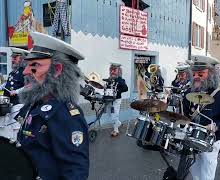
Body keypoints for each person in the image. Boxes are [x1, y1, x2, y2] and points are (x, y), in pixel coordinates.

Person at [16, 32, 89, 179]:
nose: (25, 72)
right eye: (27, 65)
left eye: (34, 65)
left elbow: (75, 171)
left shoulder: (65, 114)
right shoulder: (35, 104)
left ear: (57, 70)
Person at [182, 55, 220, 179]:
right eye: (194, 74)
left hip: (211, 139)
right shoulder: (188, 92)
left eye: (201, 74)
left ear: (211, 74)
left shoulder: (219, 94)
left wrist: (217, 126)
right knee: (193, 169)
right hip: (192, 136)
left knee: (207, 172)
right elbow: (186, 114)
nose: (196, 77)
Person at [0, 47, 29, 141]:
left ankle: (17, 141)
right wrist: (2, 85)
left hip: (19, 102)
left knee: (15, 123)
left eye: (15, 57)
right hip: (9, 102)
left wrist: (16, 91)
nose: (12, 59)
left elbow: (29, 86)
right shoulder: (12, 73)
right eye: (12, 57)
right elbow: (8, 83)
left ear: (22, 59)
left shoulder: (25, 72)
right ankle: (10, 140)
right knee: (7, 123)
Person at [104, 63, 128, 137]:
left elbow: (126, 88)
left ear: (118, 71)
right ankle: (119, 123)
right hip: (109, 100)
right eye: (111, 70)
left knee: (114, 115)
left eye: (114, 70)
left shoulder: (120, 80)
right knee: (109, 114)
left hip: (116, 100)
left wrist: (117, 90)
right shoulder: (109, 79)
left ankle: (116, 130)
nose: (112, 72)